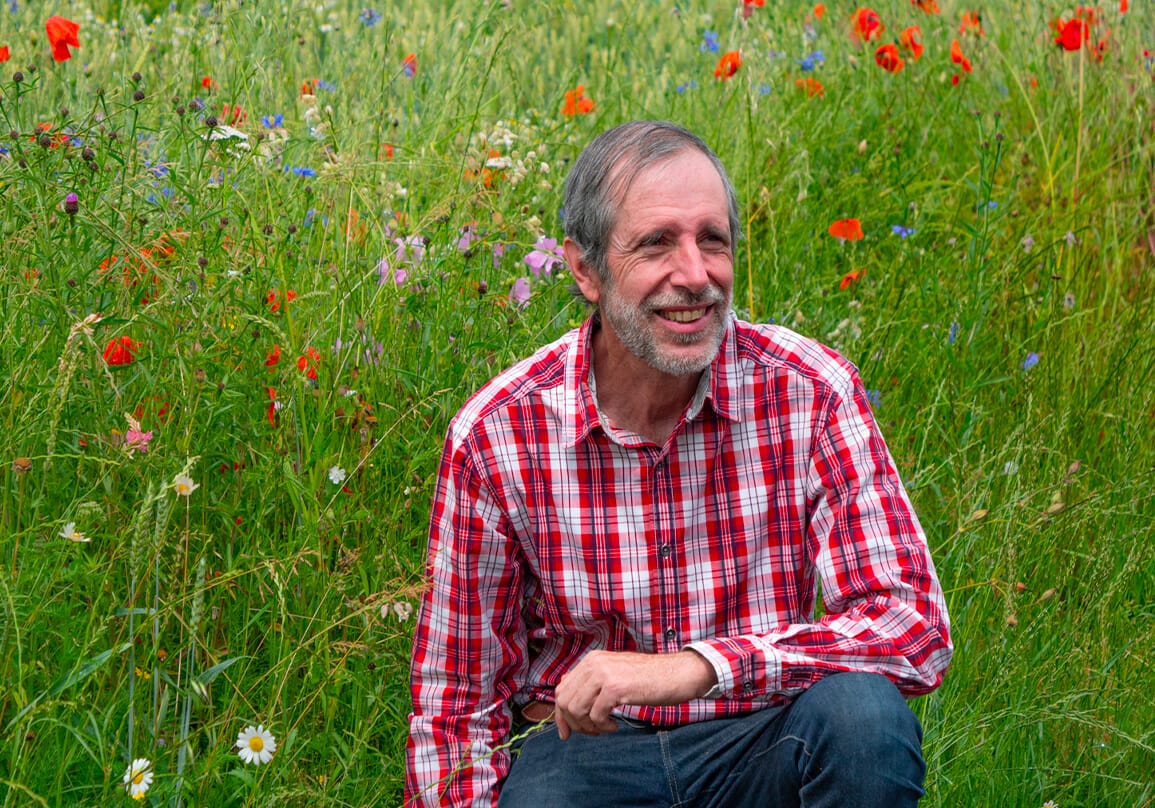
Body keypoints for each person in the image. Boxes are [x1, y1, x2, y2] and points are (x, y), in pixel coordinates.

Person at [406, 120, 952, 807]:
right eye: (656, 243)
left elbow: (911, 625)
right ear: (584, 270)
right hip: (584, 759)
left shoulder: (808, 389)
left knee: (862, 720)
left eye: (712, 240)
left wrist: (695, 668)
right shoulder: (498, 433)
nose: (694, 276)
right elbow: (456, 701)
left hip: (760, 736)